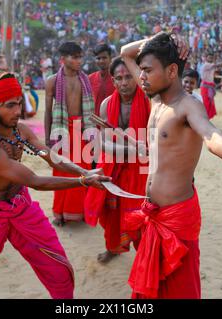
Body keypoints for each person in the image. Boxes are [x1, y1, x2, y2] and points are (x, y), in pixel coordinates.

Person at [120, 32, 222, 299]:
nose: (141, 76)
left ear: (172, 71)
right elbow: (126, 52)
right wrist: (162, 36)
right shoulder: (156, 100)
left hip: (176, 217)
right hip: (154, 212)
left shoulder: (188, 106)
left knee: (180, 290)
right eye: (142, 70)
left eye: (148, 70)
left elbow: (211, 134)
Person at [0, 70, 111, 299]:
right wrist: (84, 181)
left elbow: (50, 155)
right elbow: (35, 181)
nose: (18, 111)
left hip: (22, 208)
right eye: (10, 106)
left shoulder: (20, 130)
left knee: (58, 271)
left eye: (19, 104)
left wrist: (84, 170)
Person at [84, 57, 150, 263]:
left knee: (141, 215)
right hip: (113, 168)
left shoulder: (149, 101)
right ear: (113, 81)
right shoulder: (105, 105)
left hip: (141, 171)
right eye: (119, 78)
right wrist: (133, 150)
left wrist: (138, 150)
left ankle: (145, 257)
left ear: (137, 77)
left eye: (128, 77)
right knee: (112, 214)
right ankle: (113, 248)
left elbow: (154, 143)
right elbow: (102, 144)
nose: (124, 83)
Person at [45, 42, 96, 226]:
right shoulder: (52, 81)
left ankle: (79, 212)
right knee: (61, 172)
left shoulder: (85, 79)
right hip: (60, 131)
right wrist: (47, 138)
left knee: (82, 173)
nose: (79, 60)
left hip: (81, 130)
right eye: (74, 57)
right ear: (62, 59)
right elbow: (48, 112)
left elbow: (91, 110)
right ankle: (59, 214)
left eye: (80, 56)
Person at [200, 52, 222, 119]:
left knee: (210, 103)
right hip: (205, 87)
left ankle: (207, 117)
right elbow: (216, 65)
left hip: (210, 86)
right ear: (206, 58)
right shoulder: (206, 65)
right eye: (209, 57)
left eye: (211, 57)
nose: (210, 58)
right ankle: (204, 117)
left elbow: (216, 66)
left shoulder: (211, 65)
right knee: (206, 103)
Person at [88, 44, 115, 115]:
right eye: (98, 58)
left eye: (104, 58)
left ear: (110, 58)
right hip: (94, 122)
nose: (101, 61)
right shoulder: (90, 78)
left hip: (113, 121)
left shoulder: (117, 78)